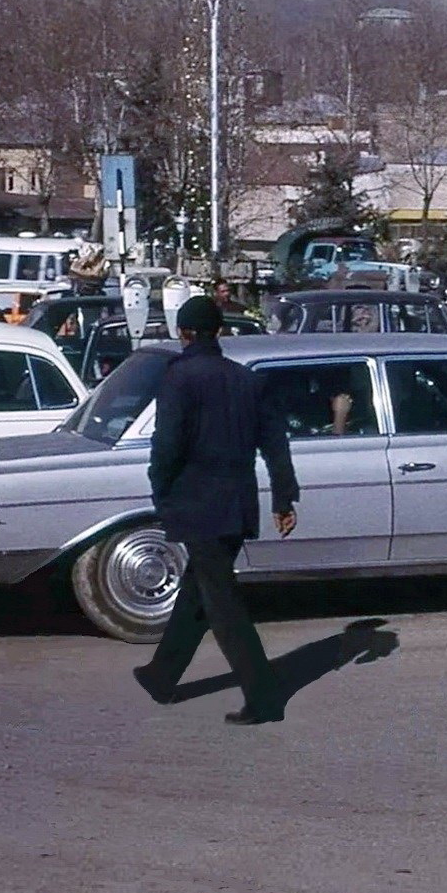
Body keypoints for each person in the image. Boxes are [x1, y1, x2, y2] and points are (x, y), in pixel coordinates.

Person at [132, 297, 300, 725]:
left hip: (197, 505)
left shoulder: (179, 377)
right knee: (198, 591)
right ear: (220, 331)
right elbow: (275, 445)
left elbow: (166, 445)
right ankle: (161, 675)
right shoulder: (247, 380)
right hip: (238, 505)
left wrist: (160, 490)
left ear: (183, 333)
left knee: (223, 606)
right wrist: (283, 499)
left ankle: (263, 698)